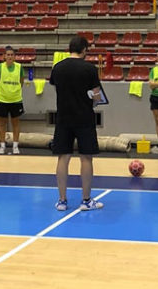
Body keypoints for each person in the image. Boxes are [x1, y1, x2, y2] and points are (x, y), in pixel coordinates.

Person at [49, 36, 104, 211]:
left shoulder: (57, 67)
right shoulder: (89, 69)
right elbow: (96, 96)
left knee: (63, 157)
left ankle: (62, 200)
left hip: (63, 118)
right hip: (84, 118)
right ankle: (86, 200)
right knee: (86, 157)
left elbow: (56, 87)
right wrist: (93, 99)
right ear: (84, 50)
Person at [0, 46, 25, 155]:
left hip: (16, 100)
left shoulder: (19, 67)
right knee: (2, 123)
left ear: (15, 57)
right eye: (8, 54)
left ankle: (15, 146)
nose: (10, 56)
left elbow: (22, 81)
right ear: (4, 56)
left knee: (15, 123)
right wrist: (2, 91)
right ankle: (2, 146)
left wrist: (14, 91)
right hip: (2, 99)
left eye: (12, 54)